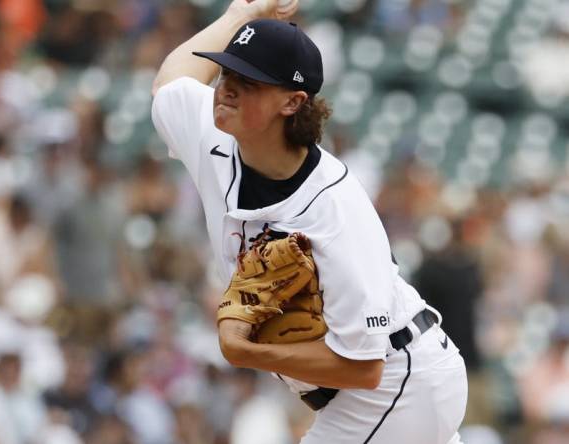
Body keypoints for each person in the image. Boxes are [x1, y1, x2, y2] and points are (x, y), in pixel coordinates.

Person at [150, 1, 468, 443]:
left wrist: (250, 351)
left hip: (398, 383)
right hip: (374, 393)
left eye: (249, 81)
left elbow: (365, 367)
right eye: (226, 72)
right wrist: (239, 16)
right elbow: (170, 82)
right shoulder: (215, 136)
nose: (227, 88)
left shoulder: (335, 210)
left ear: (293, 101)